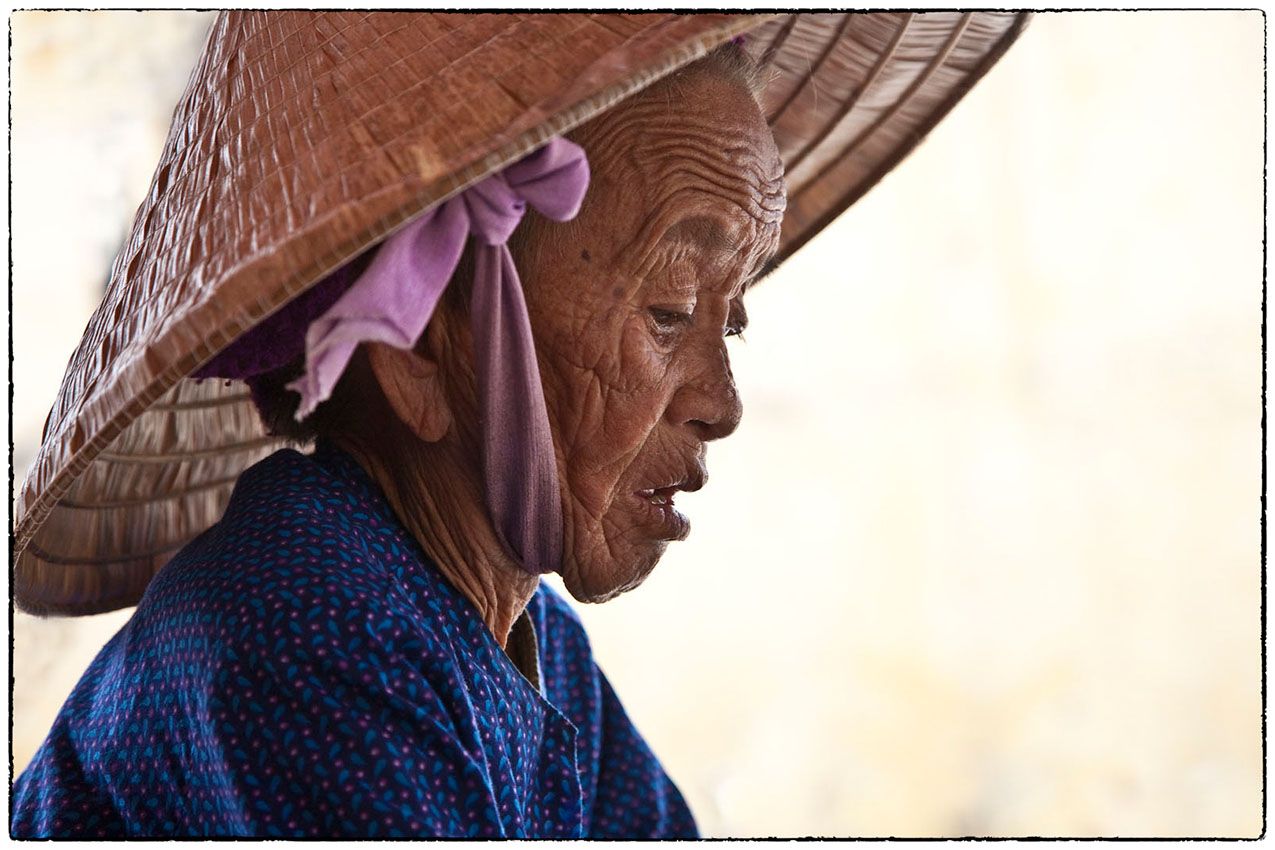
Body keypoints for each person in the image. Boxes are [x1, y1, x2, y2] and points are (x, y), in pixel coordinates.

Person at [11, 12, 1030, 838]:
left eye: (736, 318)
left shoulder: (531, 649)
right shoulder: (303, 622)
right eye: (669, 311)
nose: (721, 400)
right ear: (419, 352)